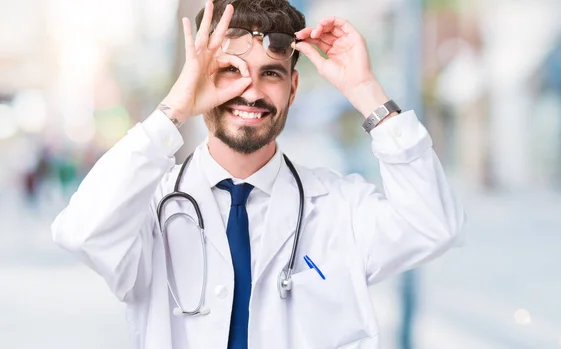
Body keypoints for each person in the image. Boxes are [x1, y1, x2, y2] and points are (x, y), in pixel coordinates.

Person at [51, 0, 466, 348]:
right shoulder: (149, 208)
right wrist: (172, 112)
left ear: (293, 87)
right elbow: (81, 232)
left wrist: (366, 92)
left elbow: (433, 225)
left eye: (271, 73)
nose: (250, 91)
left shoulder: (340, 208)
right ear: (199, 80)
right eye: (231, 70)